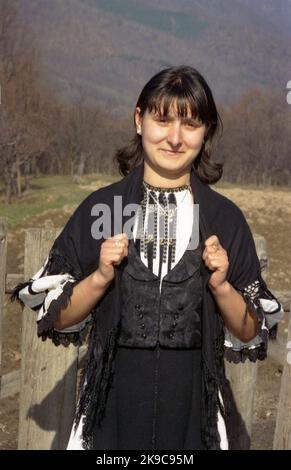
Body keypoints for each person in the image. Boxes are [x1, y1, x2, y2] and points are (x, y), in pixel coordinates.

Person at [12, 65, 283, 450]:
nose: (174, 138)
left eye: (189, 124)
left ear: (206, 131)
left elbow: (249, 331)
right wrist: (100, 277)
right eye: (162, 120)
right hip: (110, 411)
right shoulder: (102, 209)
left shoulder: (223, 218)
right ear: (139, 120)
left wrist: (222, 286)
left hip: (194, 413)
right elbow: (58, 318)